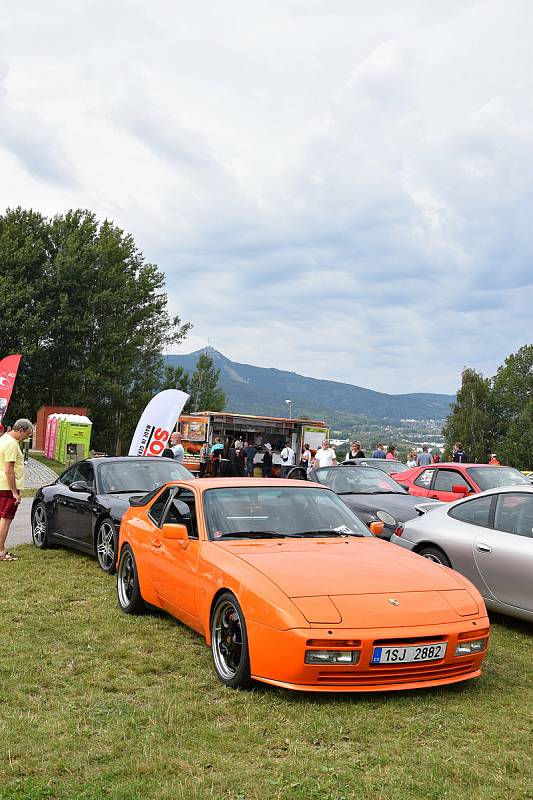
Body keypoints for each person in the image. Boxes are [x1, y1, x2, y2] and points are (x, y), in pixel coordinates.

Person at [0, 419, 33, 562]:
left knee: (2, 517)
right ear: (20, 430)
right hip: (7, 487)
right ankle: (1, 552)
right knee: (6, 519)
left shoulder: (4, 438)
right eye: (27, 434)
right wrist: (14, 492)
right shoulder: (12, 444)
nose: (28, 437)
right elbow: (9, 470)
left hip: (2, 485)